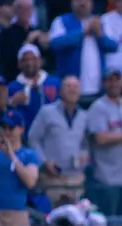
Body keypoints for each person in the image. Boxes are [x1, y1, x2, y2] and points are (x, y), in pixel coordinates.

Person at [86, 69, 122, 216]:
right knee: (109, 221)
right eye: (110, 80)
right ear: (104, 83)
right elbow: (100, 138)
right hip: (108, 178)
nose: (114, 84)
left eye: (117, 80)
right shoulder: (97, 107)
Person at [28, 76, 88, 207]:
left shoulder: (84, 116)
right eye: (68, 86)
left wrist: (84, 155)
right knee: (53, 218)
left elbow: (85, 143)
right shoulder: (46, 112)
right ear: (60, 91)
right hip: (52, 177)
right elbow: (33, 138)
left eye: (76, 87)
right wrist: (44, 162)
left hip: (75, 178)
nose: (72, 90)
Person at [0, 109, 40, 226]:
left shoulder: (29, 155)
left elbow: (30, 182)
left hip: (18, 213)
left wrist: (12, 156)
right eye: (4, 128)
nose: (7, 132)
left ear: (21, 129)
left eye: (11, 128)